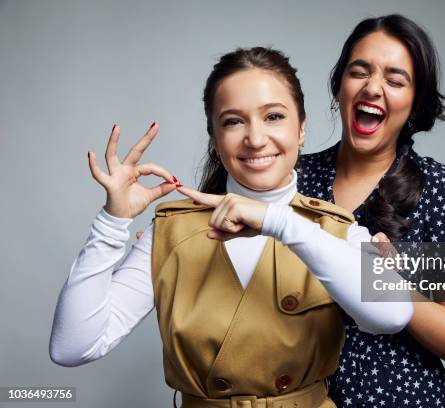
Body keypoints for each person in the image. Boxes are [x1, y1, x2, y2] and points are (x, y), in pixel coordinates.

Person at [49, 47, 413, 408]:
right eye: (233, 121)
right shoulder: (172, 232)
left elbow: (395, 313)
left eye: (273, 116)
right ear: (215, 137)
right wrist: (112, 222)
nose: (255, 138)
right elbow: (72, 347)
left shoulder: (336, 230)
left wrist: (278, 221)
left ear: (301, 128)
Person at [297, 15, 445, 407]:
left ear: (415, 103)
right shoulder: (293, 179)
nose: (373, 87)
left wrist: (392, 288)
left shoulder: (438, 188)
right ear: (339, 86)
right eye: (359, 72)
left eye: (395, 80)